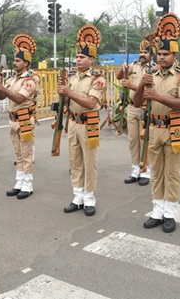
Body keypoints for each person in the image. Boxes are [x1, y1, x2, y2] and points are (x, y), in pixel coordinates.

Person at [133, 13, 180, 234]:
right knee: (156, 171)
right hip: (154, 127)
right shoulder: (151, 73)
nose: (162, 57)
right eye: (160, 53)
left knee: (172, 173)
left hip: (174, 127)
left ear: (175, 55)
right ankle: (157, 210)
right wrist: (142, 85)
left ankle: (170, 213)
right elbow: (136, 102)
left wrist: (156, 96)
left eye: (166, 54)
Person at [59, 25, 105, 216]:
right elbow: (67, 101)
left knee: (89, 162)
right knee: (75, 161)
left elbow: (90, 102)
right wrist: (63, 93)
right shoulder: (72, 77)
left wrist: (68, 92)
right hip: (73, 122)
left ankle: (89, 198)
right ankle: (77, 196)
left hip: (89, 123)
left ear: (91, 59)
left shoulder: (98, 79)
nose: (78, 60)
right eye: (77, 57)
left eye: (82, 57)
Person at [0, 34, 39, 200]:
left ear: (26, 63)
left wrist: (1, 87)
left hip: (25, 120)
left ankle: (28, 184)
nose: (14, 63)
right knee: (18, 153)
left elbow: (19, 98)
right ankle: (19, 182)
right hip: (12, 120)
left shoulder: (30, 80)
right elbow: (1, 97)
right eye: (14, 60)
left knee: (26, 154)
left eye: (18, 61)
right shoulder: (12, 79)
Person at [118, 36, 155, 186]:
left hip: (146, 108)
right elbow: (119, 76)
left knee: (144, 140)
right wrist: (123, 68)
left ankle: (145, 170)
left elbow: (147, 89)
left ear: (152, 54)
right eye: (140, 51)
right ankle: (135, 169)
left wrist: (131, 86)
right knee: (133, 140)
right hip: (132, 107)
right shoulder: (134, 65)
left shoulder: (154, 69)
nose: (142, 54)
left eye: (145, 52)